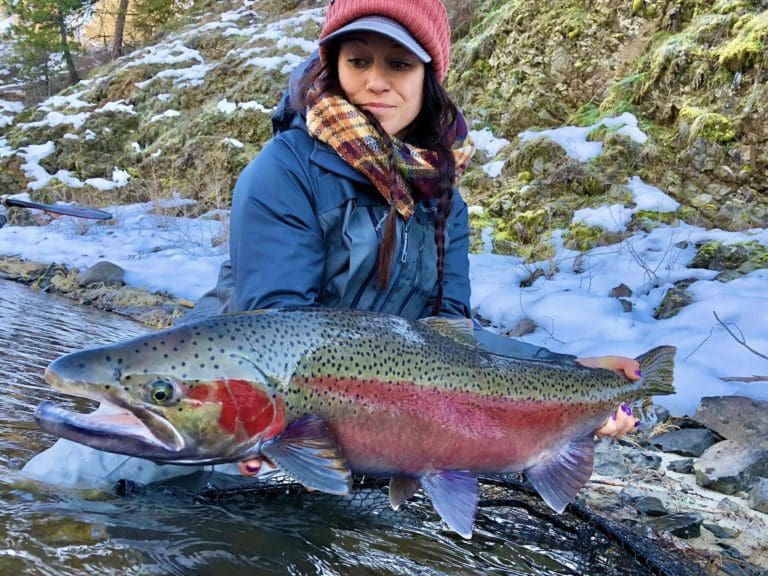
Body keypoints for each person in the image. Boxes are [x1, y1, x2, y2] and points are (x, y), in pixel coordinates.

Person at [23, 0, 639, 490]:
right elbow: (276, 325)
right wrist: (270, 432)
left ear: (429, 77)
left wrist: (567, 372)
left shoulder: (444, 198)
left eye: (399, 64)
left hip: (359, 422)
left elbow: (454, 341)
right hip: (222, 401)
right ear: (333, 66)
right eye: (358, 60)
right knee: (54, 489)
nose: (376, 81)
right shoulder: (284, 169)